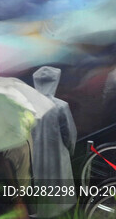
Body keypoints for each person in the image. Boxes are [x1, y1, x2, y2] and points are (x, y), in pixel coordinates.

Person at [30, 66, 77, 218]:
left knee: (39, 184)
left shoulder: (29, 105)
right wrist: (70, 150)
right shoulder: (60, 106)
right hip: (57, 155)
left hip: (35, 156)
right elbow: (69, 133)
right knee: (59, 187)